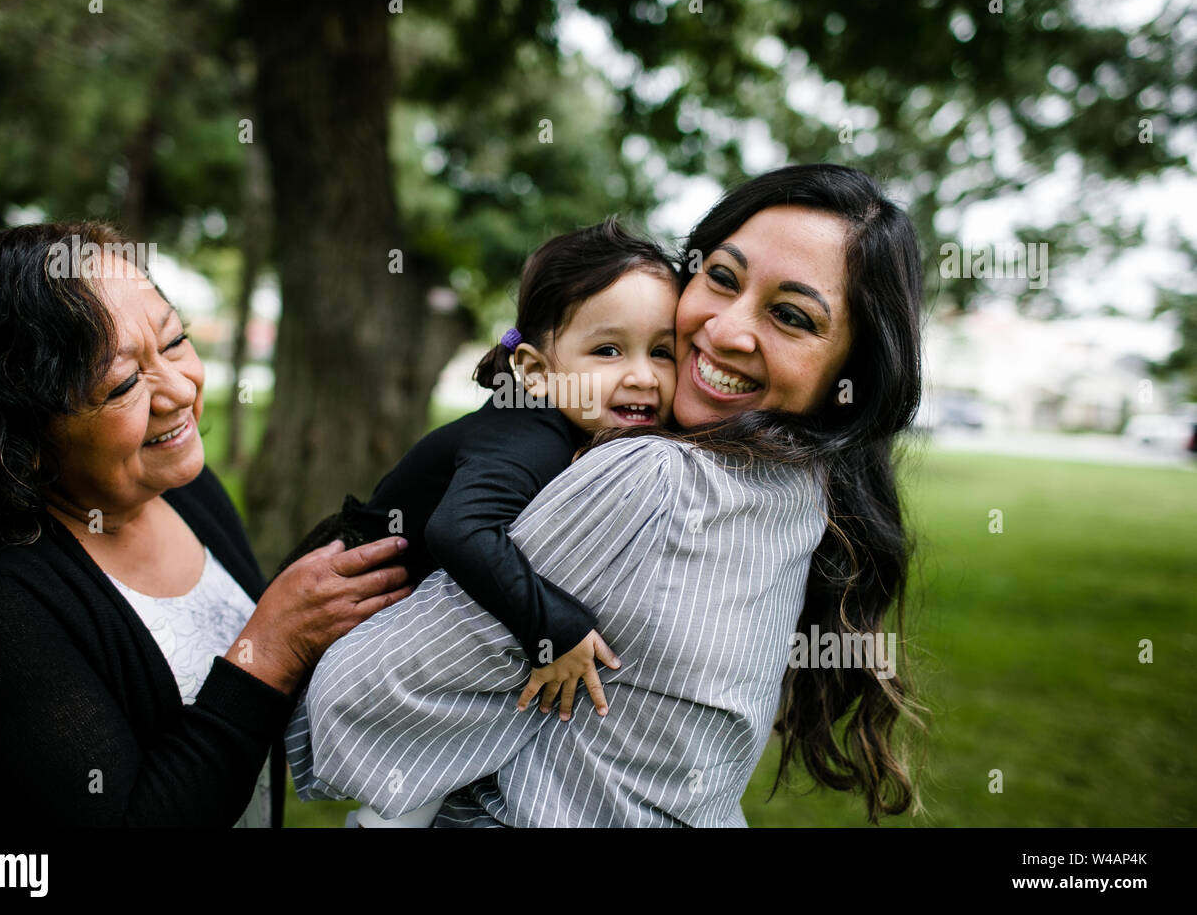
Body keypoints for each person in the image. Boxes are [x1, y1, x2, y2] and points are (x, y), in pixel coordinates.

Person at [286, 163, 926, 826]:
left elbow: (352, 703)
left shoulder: (652, 476)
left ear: (855, 366)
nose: (727, 331)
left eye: (791, 315)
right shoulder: (807, 496)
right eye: (722, 278)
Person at [0, 223, 412, 826]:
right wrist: (272, 649)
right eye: (122, 383)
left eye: (173, 343)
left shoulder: (183, 490)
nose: (179, 389)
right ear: (23, 433)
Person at [276, 218, 681, 827]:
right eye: (608, 350)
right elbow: (460, 530)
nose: (643, 376)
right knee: (418, 771)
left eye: (663, 352)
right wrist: (559, 628)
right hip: (356, 596)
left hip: (401, 603)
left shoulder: (569, 426)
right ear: (538, 372)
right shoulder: (529, 435)